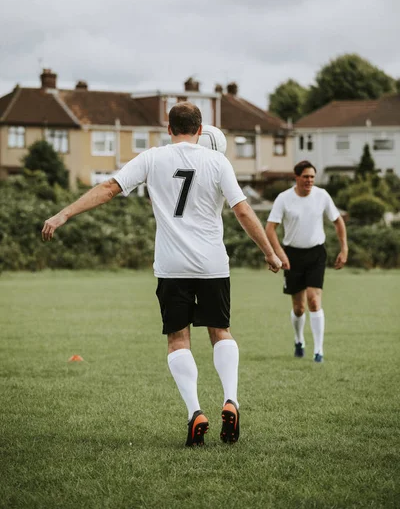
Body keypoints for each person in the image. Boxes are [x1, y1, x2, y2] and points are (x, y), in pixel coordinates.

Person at [42, 102, 282, 447]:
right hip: (213, 265)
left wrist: (63, 214)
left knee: (178, 339)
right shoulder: (218, 161)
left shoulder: (152, 158)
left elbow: (109, 189)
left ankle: (195, 411)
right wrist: (269, 252)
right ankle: (231, 400)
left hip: (172, 267)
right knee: (221, 331)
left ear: (168, 129)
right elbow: (243, 211)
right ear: (200, 130)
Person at [266, 160, 348, 363]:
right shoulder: (284, 199)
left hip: (316, 254)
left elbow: (338, 221)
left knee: (314, 300)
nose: (310, 180)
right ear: (297, 177)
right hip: (292, 256)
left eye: (312, 177)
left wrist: (344, 248)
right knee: (299, 308)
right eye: (306, 177)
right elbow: (270, 229)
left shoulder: (322, 196)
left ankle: (318, 351)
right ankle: (299, 340)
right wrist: (279, 254)